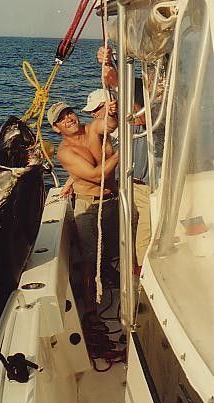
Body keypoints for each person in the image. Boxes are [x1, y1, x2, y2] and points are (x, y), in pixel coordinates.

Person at [47, 100, 121, 359]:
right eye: (61, 118)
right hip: (88, 207)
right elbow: (96, 175)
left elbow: (109, 125)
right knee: (89, 261)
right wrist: (121, 153)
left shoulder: (93, 129)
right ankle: (90, 311)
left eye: (69, 112)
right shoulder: (64, 152)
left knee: (115, 251)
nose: (68, 117)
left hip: (113, 201)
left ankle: (113, 284)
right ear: (56, 129)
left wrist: (113, 113)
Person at [97, 46, 151, 273]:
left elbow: (144, 119)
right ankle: (131, 274)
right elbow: (117, 78)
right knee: (128, 232)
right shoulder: (137, 85)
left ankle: (143, 282)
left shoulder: (172, 91)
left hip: (152, 183)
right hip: (131, 178)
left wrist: (118, 84)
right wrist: (107, 61)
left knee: (146, 238)